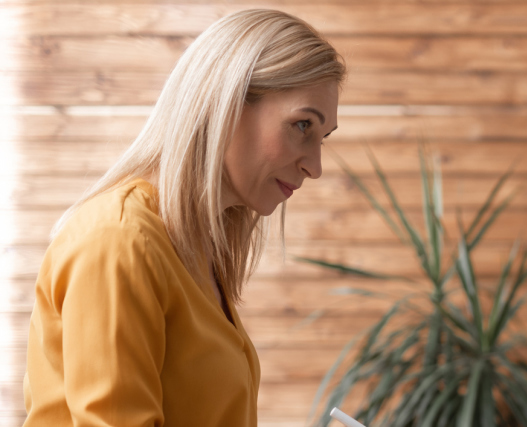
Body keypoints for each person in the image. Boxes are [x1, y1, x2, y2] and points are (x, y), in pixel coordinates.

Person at [23, 9, 343, 426]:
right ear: (226, 103)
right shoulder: (119, 240)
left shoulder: (192, 250)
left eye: (322, 137)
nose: (315, 166)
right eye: (302, 125)